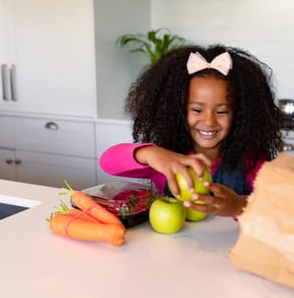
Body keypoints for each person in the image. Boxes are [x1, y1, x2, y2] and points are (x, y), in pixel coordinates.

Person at [99, 44, 284, 218]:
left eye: (221, 112)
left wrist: (240, 207)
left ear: (240, 114)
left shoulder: (251, 164)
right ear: (178, 111)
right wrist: (150, 154)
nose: (209, 121)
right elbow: (107, 162)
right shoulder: (166, 163)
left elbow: (280, 210)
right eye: (197, 110)